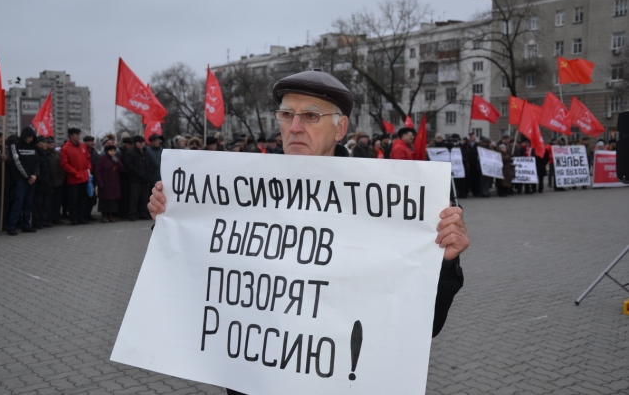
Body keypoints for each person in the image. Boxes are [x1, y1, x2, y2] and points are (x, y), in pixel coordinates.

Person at [148, 70, 468, 395]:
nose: (295, 127)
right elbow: (196, 280)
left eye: (310, 116)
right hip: (254, 382)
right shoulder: (239, 192)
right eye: (287, 115)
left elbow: (423, 325)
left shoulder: (384, 205)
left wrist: (443, 262)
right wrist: (170, 222)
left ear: (340, 128)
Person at [6, 127, 39, 235]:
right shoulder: (15, 146)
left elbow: (36, 162)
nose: (31, 139)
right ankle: (11, 226)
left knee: (28, 203)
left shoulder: (33, 146)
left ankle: (26, 224)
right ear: (24, 136)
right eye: (29, 137)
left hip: (32, 179)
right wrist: (27, 177)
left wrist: (34, 175)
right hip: (21, 179)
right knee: (18, 202)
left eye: (32, 137)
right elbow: (17, 163)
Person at [60, 128, 92, 225]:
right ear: (70, 136)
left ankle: (81, 217)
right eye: (76, 134)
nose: (78, 136)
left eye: (78, 134)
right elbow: (64, 164)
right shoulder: (65, 148)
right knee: (73, 200)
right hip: (73, 179)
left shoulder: (83, 146)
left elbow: (88, 159)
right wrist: (75, 173)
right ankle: (73, 218)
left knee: (83, 199)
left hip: (84, 177)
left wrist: (88, 169)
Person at [123, 135, 154, 221]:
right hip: (135, 180)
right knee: (134, 198)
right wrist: (139, 173)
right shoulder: (130, 153)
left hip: (145, 179)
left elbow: (150, 164)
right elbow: (129, 166)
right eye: (139, 143)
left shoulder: (146, 152)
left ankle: (143, 213)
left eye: (142, 143)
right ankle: (132, 214)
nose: (141, 144)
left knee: (145, 198)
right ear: (135, 143)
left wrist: (149, 174)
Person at [95, 145, 125, 222]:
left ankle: (110, 215)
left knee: (113, 201)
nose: (113, 152)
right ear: (107, 151)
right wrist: (100, 182)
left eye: (114, 151)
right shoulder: (102, 158)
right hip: (105, 183)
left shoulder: (116, 158)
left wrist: (117, 162)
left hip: (114, 183)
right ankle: (104, 216)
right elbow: (98, 171)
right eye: (111, 151)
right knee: (105, 200)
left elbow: (121, 169)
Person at [32, 136, 53, 229]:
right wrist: (42, 180)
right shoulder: (36, 154)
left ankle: (44, 220)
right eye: (44, 143)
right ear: (39, 144)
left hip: (47, 182)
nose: (46, 144)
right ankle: (36, 222)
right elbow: (36, 169)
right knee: (38, 204)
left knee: (45, 203)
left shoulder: (45, 153)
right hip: (40, 183)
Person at [46, 136, 65, 225]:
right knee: (48, 202)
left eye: (52, 143)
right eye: (49, 143)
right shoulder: (44, 153)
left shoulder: (58, 154)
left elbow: (62, 165)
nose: (51, 144)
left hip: (58, 181)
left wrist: (62, 178)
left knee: (57, 201)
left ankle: (56, 217)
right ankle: (48, 218)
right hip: (47, 182)